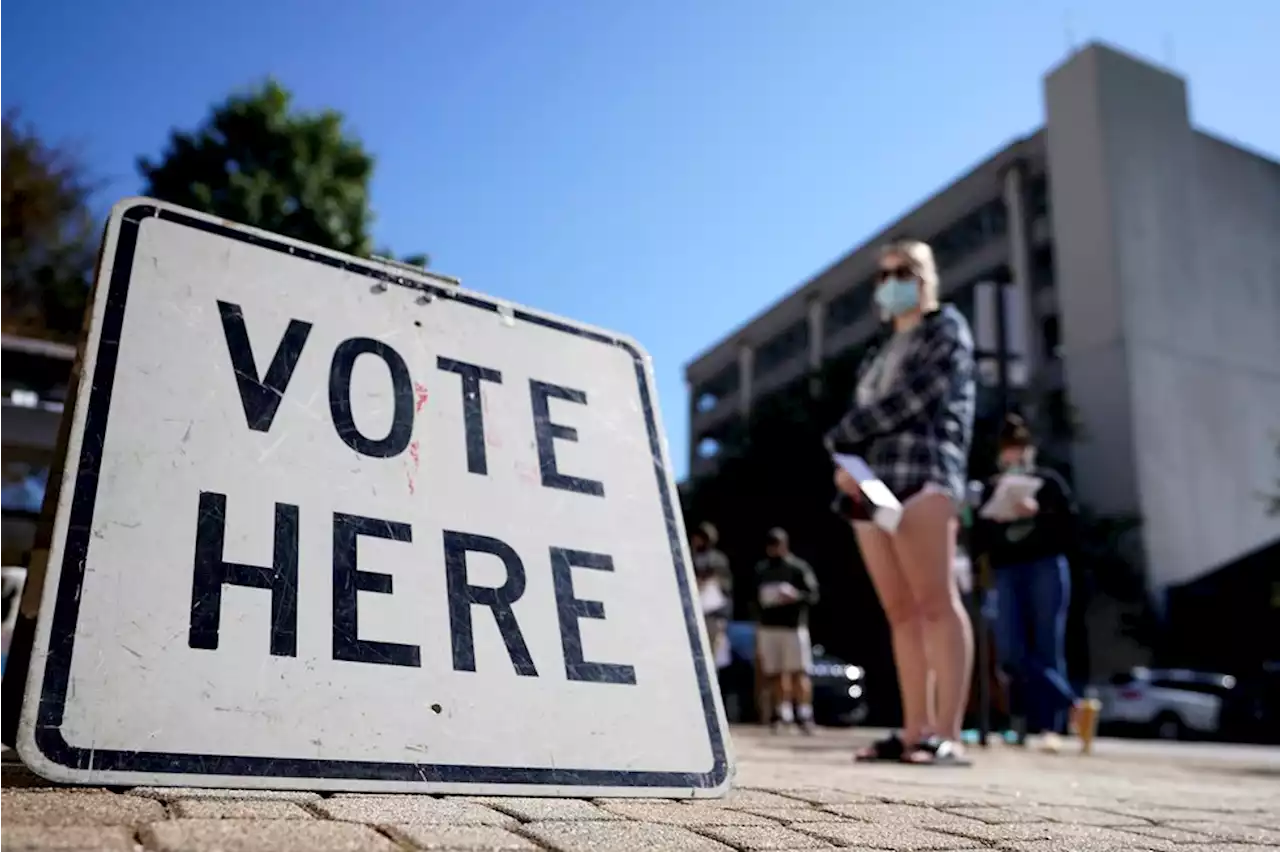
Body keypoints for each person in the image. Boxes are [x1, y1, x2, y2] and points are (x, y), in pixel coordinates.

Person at [826, 238, 977, 765]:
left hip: (924, 475)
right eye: (884, 274)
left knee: (936, 604)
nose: (892, 283)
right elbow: (865, 424)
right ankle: (914, 731)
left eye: (904, 271)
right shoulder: (875, 353)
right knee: (901, 614)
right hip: (871, 489)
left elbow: (913, 400)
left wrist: (843, 435)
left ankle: (947, 734)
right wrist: (846, 460)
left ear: (926, 277)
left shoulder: (946, 328)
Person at [973, 414, 1084, 748]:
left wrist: (1039, 511)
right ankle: (1070, 705)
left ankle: (1052, 727)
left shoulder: (1048, 482)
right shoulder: (990, 487)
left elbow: (1071, 526)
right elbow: (979, 537)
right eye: (1009, 449)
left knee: (1048, 645)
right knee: (1010, 650)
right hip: (1006, 570)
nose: (1014, 456)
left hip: (1045, 566)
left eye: (1019, 448)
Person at [753, 528, 820, 734]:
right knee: (774, 672)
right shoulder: (762, 569)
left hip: (792, 627)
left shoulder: (798, 568)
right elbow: (752, 597)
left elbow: (813, 594)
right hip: (769, 626)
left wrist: (795, 596)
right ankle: (782, 713)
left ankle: (804, 713)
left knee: (798, 671)